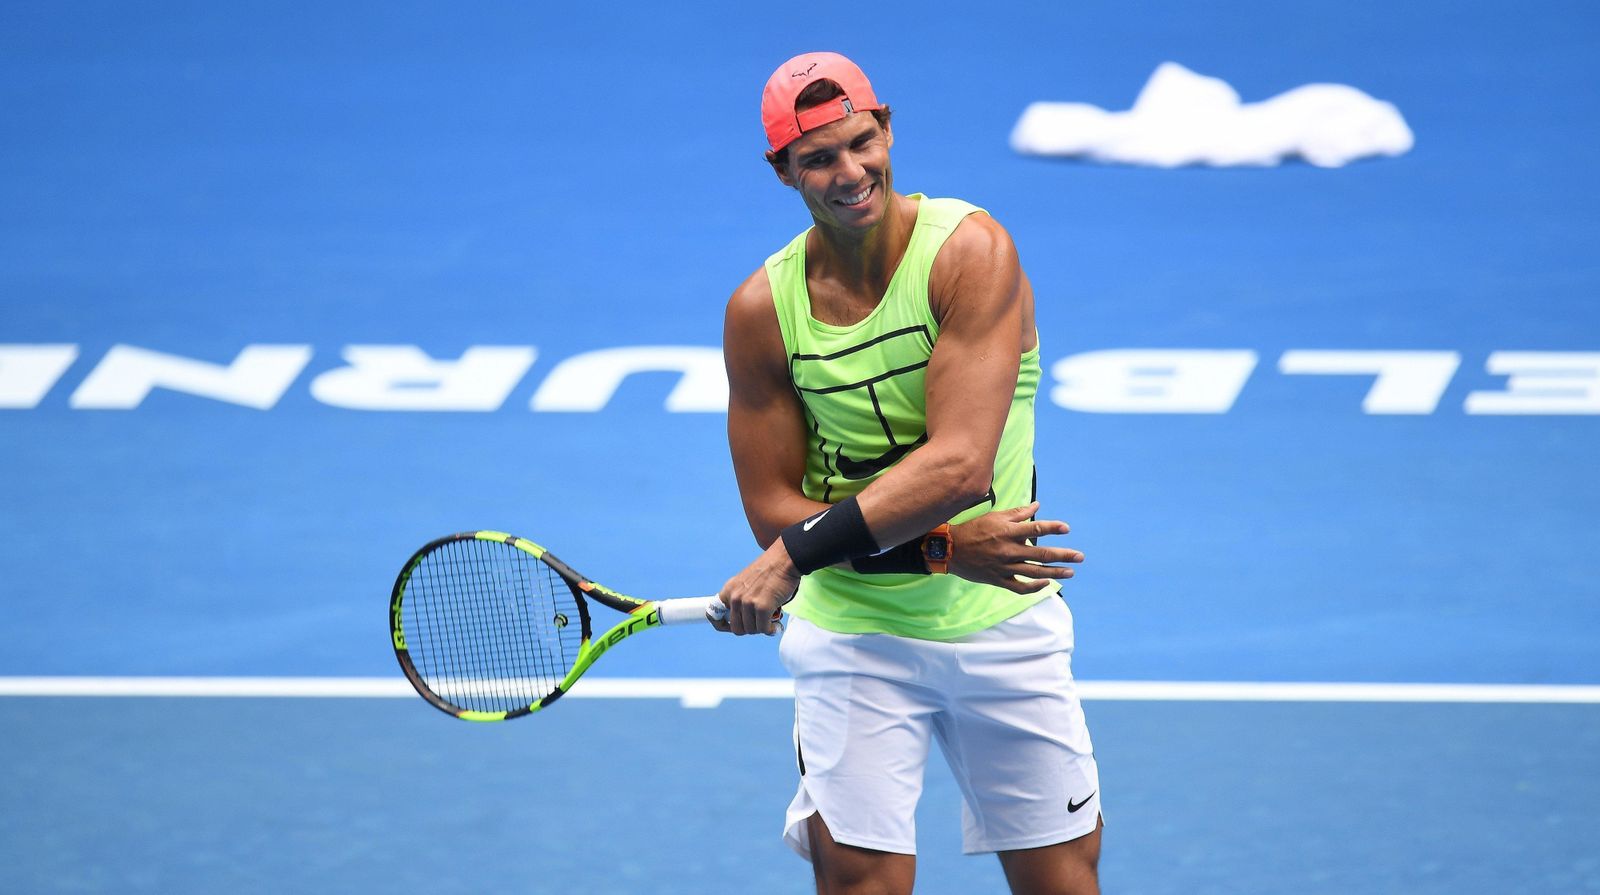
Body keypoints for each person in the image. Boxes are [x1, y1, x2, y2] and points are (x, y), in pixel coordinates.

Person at [716, 51, 1102, 895]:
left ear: (887, 129)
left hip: (1003, 616)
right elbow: (773, 510)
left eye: (862, 143)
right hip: (854, 633)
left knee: (1062, 883)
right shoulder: (761, 312)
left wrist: (794, 555)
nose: (850, 172)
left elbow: (962, 466)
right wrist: (937, 550)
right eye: (818, 158)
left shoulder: (970, 251)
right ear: (783, 171)